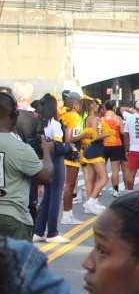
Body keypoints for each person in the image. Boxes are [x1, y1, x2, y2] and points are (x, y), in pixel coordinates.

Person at [0, 92, 54, 241]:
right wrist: (47, 150)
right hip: (13, 219)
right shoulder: (20, 148)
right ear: (14, 115)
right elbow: (47, 177)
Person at [31, 95, 70, 244]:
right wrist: (69, 148)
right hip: (56, 161)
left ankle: (39, 231)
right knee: (55, 197)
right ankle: (53, 232)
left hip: (45, 160)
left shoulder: (40, 123)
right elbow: (58, 147)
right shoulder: (55, 124)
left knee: (46, 197)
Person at [81, 98, 111, 216]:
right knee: (104, 178)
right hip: (94, 150)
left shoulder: (89, 118)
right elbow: (93, 136)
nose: (97, 106)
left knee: (91, 178)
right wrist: (106, 134)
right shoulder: (92, 119)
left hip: (90, 150)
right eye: (95, 104)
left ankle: (89, 204)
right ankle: (91, 201)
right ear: (91, 107)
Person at [59, 93, 85, 226]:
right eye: (79, 104)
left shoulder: (68, 116)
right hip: (73, 151)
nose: (80, 106)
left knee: (70, 185)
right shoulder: (73, 116)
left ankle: (69, 214)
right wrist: (84, 135)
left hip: (72, 150)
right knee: (70, 185)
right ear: (75, 104)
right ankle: (66, 215)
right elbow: (69, 138)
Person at [102, 102, 126, 197]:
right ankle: (115, 190)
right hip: (116, 144)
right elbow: (122, 132)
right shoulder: (118, 118)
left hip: (104, 144)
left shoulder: (102, 119)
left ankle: (99, 189)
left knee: (101, 168)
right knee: (115, 169)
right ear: (114, 108)